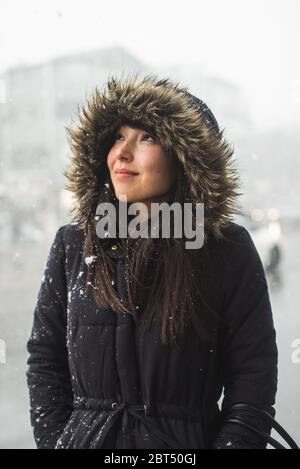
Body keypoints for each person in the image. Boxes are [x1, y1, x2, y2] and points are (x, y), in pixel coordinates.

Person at [26, 73, 278, 449]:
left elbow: (252, 380)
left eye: (146, 137)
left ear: (186, 158)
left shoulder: (225, 248)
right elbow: (46, 361)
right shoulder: (74, 243)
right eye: (117, 137)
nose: (122, 153)